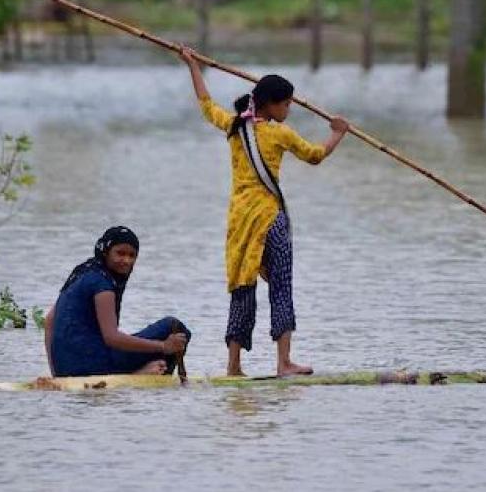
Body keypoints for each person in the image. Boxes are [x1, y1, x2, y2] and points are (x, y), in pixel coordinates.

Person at [179, 45, 349, 377]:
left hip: (240, 221)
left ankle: (233, 366)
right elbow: (315, 155)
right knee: (281, 286)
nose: (289, 109)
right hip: (271, 219)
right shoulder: (279, 132)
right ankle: (284, 362)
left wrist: (193, 66)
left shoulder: (234, 126)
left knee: (242, 288)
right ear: (271, 105)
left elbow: (206, 105)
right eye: (286, 104)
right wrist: (338, 133)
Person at [43, 226, 190, 377]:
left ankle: (141, 373)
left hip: (65, 368)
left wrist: (57, 374)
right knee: (174, 327)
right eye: (120, 253)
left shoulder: (82, 272)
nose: (126, 260)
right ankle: (145, 377)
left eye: (132, 255)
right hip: (92, 366)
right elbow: (111, 337)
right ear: (106, 252)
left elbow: (49, 322)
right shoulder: (102, 284)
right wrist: (164, 346)